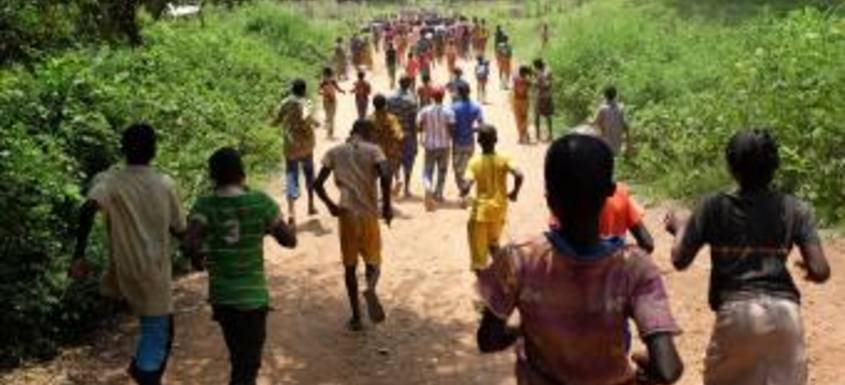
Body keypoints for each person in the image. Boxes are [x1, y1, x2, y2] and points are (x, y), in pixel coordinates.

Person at [476, 134, 684, 385]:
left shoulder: (518, 259)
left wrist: (526, 329)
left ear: (549, 197)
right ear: (609, 192)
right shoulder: (634, 267)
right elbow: (668, 368)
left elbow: (488, 339)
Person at [665, 130, 830, 385]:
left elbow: (679, 259)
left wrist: (680, 227)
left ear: (731, 166)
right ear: (775, 165)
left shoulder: (713, 206)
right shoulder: (796, 208)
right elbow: (820, 270)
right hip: (786, 315)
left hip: (737, 315)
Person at [71, 123, 187, 385]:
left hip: (124, 270)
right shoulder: (164, 183)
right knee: (160, 333)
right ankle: (145, 376)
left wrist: (79, 255)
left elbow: (89, 208)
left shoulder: (109, 181)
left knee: (155, 329)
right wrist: (197, 249)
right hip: (153, 272)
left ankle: (141, 370)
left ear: (122, 150)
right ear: (154, 150)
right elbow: (178, 228)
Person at [185, 148, 297, 385]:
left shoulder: (205, 205)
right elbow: (289, 241)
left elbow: (190, 241)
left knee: (239, 359)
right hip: (253, 297)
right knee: (248, 364)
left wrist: (198, 260)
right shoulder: (260, 202)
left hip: (223, 296)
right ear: (241, 173)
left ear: (213, 176)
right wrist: (286, 225)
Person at [314, 119, 394, 331]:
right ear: (366, 132)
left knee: (349, 267)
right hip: (368, 213)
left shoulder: (334, 152)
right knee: (373, 261)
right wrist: (386, 206)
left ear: (352, 132)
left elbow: (317, 184)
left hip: (346, 214)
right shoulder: (374, 150)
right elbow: (386, 175)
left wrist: (331, 206)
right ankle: (370, 286)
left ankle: (356, 317)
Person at [460, 126, 523, 271]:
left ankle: (484, 285)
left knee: (478, 258)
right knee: (494, 245)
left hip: (481, 214)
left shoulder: (474, 162)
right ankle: (506, 275)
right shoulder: (505, 158)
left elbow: (467, 185)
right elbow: (519, 175)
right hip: (499, 210)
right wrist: (514, 193)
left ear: (479, 141)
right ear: (496, 140)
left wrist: (463, 192)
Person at [273, 79, 319, 225]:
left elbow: (276, 121)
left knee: (291, 176)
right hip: (306, 146)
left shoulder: (285, 103)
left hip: (290, 146)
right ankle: (311, 205)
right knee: (309, 174)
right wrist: (314, 123)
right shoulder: (306, 102)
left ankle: (291, 211)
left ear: (292, 89)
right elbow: (307, 117)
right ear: (304, 90)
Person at [417, 86, 455, 210]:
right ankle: (438, 194)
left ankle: (428, 188)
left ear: (432, 97)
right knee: (442, 170)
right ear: (443, 97)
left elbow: (418, 125)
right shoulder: (449, 111)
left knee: (428, 171)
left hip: (430, 145)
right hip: (444, 145)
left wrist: (424, 131)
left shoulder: (425, 110)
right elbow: (452, 128)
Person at [386, 76, 420, 198]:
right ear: (409, 84)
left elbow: (387, 117)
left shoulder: (389, 98)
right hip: (407, 135)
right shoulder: (411, 100)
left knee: (393, 159)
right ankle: (406, 188)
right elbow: (413, 122)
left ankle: (397, 178)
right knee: (408, 160)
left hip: (393, 135)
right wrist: (415, 138)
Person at [368, 94, 405, 193]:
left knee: (373, 176)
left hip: (373, 153)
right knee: (387, 175)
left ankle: (376, 197)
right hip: (389, 153)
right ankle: (386, 196)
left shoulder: (369, 119)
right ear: (385, 105)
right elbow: (399, 134)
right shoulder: (391, 119)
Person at [451, 82, 484, 193]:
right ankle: (466, 188)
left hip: (457, 143)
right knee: (469, 167)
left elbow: (451, 125)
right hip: (470, 142)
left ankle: (462, 189)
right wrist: (472, 130)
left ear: (459, 93)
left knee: (457, 168)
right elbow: (481, 125)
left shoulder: (454, 107)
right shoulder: (476, 107)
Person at [593, 86, 630, 155]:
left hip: (605, 146)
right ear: (616, 95)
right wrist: (628, 144)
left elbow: (595, 123)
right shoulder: (621, 107)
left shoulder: (602, 109)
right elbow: (626, 127)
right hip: (617, 147)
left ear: (605, 96)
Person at [319, 67, 346, 140]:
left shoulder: (323, 82)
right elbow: (338, 89)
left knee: (329, 116)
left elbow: (319, 92)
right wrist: (342, 91)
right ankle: (330, 132)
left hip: (327, 100)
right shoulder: (331, 81)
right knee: (331, 117)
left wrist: (324, 93)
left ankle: (329, 132)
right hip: (332, 100)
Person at [533, 59, 554, 142]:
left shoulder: (540, 74)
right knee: (548, 116)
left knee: (537, 115)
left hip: (541, 97)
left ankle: (538, 135)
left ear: (538, 67)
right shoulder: (548, 70)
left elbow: (542, 84)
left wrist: (537, 83)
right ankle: (550, 134)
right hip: (548, 96)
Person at [512, 65, 532, 144]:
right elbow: (531, 86)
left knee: (518, 119)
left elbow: (514, 73)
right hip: (524, 101)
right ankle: (526, 135)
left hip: (516, 100)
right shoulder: (526, 81)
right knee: (524, 118)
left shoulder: (516, 79)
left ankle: (521, 136)